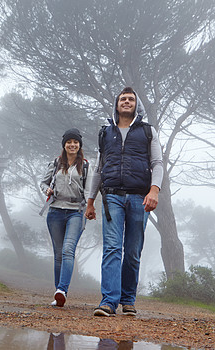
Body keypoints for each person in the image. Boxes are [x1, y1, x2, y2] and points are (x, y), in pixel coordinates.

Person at [85, 87, 163, 317]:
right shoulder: (105, 133)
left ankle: (128, 299)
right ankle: (108, 301)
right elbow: (99, 169)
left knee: (132, 251)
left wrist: (154, 191)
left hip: (140, 198)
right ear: (116, 105)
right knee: (111, 248)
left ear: (136, 105)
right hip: (112, 197)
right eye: (123, 99)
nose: (126, 102)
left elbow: (157, 163)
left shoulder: (148, 131)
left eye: (130, 99)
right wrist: (90, 201)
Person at [40, 128, 88, 307]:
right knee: (58, 254)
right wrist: (47, 190)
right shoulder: (56, 163)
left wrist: (89, 207)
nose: (72, 145)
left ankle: (62, 289)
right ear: (64, 145)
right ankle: (58, 294)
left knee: (68, 250)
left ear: (79, 145)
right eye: (69, 142)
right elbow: (43, 182)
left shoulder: (86, 165)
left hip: (76, 211)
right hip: (55, 211)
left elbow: (90, 189)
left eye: (75, 142)